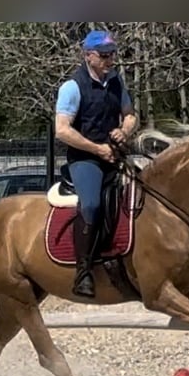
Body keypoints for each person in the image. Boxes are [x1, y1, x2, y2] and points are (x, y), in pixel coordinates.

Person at [54, 30, 138, 298]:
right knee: (91, 204)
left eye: (112, 54)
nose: (110, 60)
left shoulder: (115, 81)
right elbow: (62, 130)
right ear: (88, 56)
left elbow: (130, 115)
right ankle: (84, 271)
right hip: (85, 159)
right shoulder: (72, 87)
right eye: (104, 55)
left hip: (114, 153)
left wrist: (124, 131)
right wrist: (97, 149)